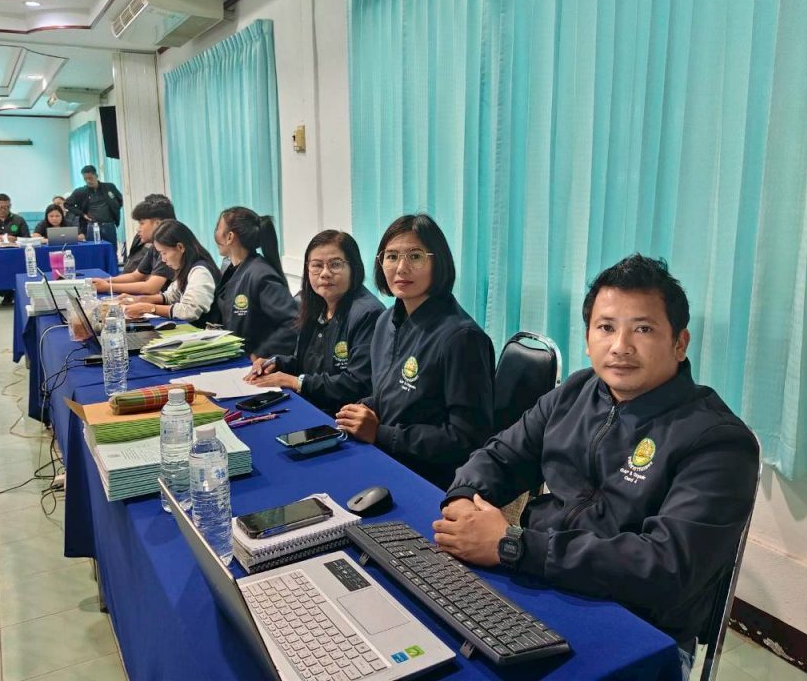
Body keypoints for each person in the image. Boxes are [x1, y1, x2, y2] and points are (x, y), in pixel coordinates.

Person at [431, 254, 760, 680]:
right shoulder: (577, 391)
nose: (621, 346)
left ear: (680, 343)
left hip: (636, 626)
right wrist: (462, 498)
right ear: (588, 339)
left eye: (643, 329)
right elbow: (500, 455)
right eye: (606, 327)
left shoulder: (718, 441)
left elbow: (664, 568)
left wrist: (515, 545)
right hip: (538, 582)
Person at [335, 214, 495, 490]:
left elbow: (467, 438)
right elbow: (393, 394)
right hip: (384, 456)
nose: (401, 268)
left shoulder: (461, 338)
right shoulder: (386, 321)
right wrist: (364, 408)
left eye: (415, 256)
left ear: (438, 262)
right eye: (391, 256)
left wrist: (381, 433)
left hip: (426, 478)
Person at [246, 230, 384, 413]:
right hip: (310, 405)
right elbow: (306, 363)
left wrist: (295, 382)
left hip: (340, 417)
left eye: (335, 264)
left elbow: (356, 384)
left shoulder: (368, 313)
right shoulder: (314, 304)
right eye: (317, 265)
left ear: (354, 268)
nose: (325, 273)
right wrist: (277, 363)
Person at [213, 206, 297, 358]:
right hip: (235, 357)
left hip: (254, 364)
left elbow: (293, 323)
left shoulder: (261, 275)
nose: (215, 234)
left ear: (230, 237)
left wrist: (261, 354)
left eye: (218, 228)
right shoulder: (232, 269)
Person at [123, 220, 221, 328]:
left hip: (205, 332)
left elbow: (189, 311)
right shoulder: (186, 266)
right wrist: (140, 300)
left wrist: (150, 308)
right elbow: (172, 296)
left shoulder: (200, 272)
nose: (163, 259)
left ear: (180, 247)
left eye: (164, 253)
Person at [90, 195, 175, 295]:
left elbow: (151, 288)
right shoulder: (155, 246)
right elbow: (136, 276)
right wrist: (104, 281)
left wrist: (108, 287)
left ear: (158, 224)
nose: (138, 229)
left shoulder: (170, 246)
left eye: (142, 223)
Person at [64, 165, 123, 248]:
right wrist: (82, 214)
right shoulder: (80, 192)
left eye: (90, 178)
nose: (88, 181)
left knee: (111, 250)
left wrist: (113, 209)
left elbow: (120, 200)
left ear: (96, 176)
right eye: (85, 179)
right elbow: (67, 204)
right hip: (92, 226)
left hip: (109, 225)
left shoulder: (109, 187)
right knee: (94, 250)